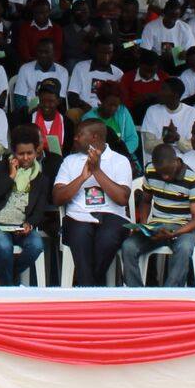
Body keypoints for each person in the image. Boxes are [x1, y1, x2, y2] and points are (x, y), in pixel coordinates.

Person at [53, 118, 133, 286]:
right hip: (77, 217)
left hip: (112, 216)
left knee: (107, 238)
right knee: (80, 236)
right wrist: (82, 178)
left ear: (95, 137)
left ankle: (86, 287)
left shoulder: (120, 160)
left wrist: (96, 171)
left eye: (79, 135)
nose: (75, 138)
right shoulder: (70, 161)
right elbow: (57, 198)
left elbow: (122, 199)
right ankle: (94, 288)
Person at [0, 124, 52, 285]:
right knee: (4, 246)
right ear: (14, 152)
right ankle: (9, 288)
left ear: (36, 152)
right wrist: (11, 176)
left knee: (36, 245)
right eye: (21, 154)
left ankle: (4, 278)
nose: (26, 158)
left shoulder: (41, 179)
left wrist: (30, 224)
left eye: (30, 153)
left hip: (19, 227)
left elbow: (39, 211)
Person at [119, 143, 195, 288]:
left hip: (183, 227)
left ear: (176, 161)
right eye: (161, 173)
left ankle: (170, 293)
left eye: (168, 172)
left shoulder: (194, 180)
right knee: (128, 246)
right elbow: (146, 201)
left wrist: (173, 234)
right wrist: (143, 225)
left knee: (184, 248)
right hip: (157, 226)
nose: (165, 176)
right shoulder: (151, 170)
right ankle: (136, 293)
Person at [139, 77, 195, 158]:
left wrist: (177, 138)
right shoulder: (152, 111)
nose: (159, 93)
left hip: (184, 160)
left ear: (175, 95)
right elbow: (148, 147)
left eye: (164, 90)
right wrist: (164, 140)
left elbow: (193, 149)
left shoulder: (192, 113)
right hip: (158, 159)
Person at [11, 42, 68, 115]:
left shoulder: (62, 72)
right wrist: (28, 111)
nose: (43, 55)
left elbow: (60, 99)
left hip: (51, 111)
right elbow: (19, 97)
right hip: (29, 111)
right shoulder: (25, 68)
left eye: (46, 52)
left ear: (54, 53)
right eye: (40, 52)